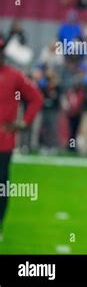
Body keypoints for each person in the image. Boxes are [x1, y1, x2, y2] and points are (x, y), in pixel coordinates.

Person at [0, 37, 43, 241]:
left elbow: (36, 97)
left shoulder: (14, 76)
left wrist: (24, 122)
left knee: (1, 185)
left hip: (3, 140)